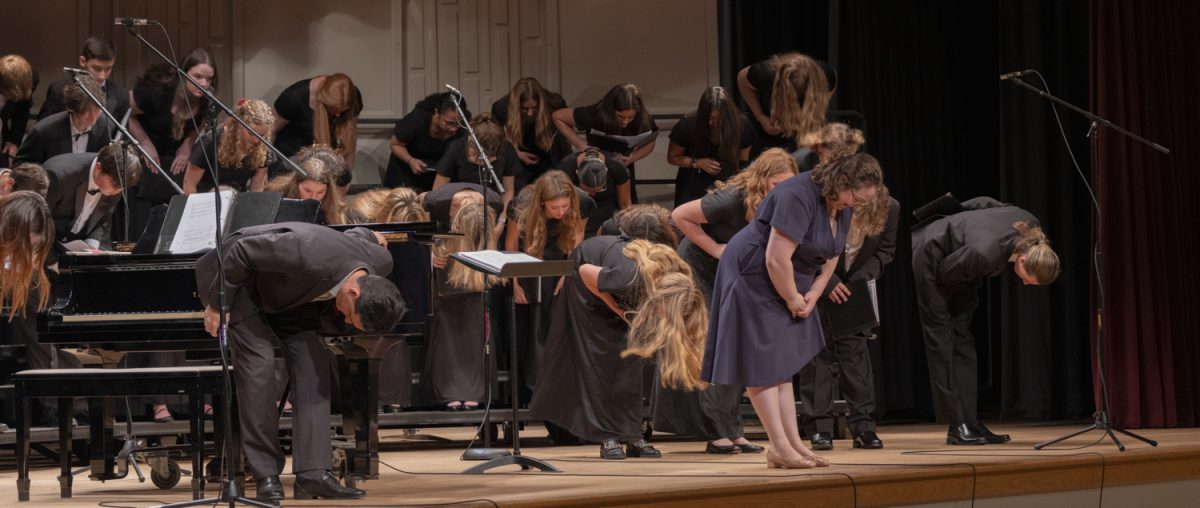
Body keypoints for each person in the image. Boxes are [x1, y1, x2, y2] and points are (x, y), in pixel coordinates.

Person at [196, 222, 403, 501]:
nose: (344, 319)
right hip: (236, 278)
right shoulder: (305, 252)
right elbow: (242, 251)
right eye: (349, 316)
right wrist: (217, 303)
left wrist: (371, 234)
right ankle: (265, 474)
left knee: (313, 360)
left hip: (289, 293)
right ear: (354, 292)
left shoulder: (381, 260)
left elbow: (355, 235)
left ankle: (313, 474)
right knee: (260, 362)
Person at [702, 152, 883, 469]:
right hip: (754, 275)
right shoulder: (796, 195)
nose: (856, 204)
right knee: (762, 363)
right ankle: (779, 446)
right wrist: (791, 298)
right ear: (841, 181)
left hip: (790, 278)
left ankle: (793, 444)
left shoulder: (839, 203)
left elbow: (830, 256)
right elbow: (775, 258)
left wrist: (813, 293)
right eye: (855, 196)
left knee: (782, 364)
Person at [654, 148, 798, 454]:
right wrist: (716, 248)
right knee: (711, 345)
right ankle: (716, 431)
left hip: (730, 274)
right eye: (776, 185)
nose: (781, 191)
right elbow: (679, 216)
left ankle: (734, 430)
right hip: (698, 270)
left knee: (735, 346)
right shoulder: (732, 198)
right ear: (761, 180)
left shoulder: (784, 204)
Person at [531, 210, 706, 460]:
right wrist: (618, 311)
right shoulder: (628, 277)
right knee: (604, 362)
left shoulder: (676, 274)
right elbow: (585, 272)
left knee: (631, 364)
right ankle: (608, 437)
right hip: (589, 290)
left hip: (624, 292)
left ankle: (633, 435)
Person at [912, 196, 1060, 445]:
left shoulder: (1032, 226)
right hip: (933, 258)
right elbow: (945, 274)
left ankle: (970, 420)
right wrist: (958, 224)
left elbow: (983, 202)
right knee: (943, 343)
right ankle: (957, 426)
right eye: (1027, 279)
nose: (1023, 282)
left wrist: (965, 220)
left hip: (964, 266)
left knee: (964, 344)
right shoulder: (985, 254)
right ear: (1023, 259)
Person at [798, 186, 900, 451]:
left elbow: (885, 251)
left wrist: (856, 282)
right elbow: (804, 246)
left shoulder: (891, 209)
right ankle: (819, 428)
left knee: (856, 358)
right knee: (817, 356)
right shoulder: (825, 206)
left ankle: (863, 426)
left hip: (854, 289)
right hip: (817, 284)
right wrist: (828, 281)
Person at [504, 171, 592, 393]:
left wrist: (566, 272)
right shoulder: (521, 204)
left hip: (561, 261)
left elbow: (578, 240)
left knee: (560, 323)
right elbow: (512, 245)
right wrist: (515, 283)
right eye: (555, 207)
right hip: (530, 260)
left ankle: (563, 388)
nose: (561, 211)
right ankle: (533, 388)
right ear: (542, 203)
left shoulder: (582, 202)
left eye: (565, 206)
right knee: (533, 325)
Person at [418, 200, 501, 410]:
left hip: (460, 304)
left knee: (455, 346)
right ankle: (471, 392)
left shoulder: (443, 245)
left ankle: (453, 392)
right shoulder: (442, 247)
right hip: (453, 304)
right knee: (466, 346)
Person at [127, 48, 217, 237]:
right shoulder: (158, 90)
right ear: (183, 72)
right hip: (145, 147)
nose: (203, 84)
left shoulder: (207, 99)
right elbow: (126, 111)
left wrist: (188, 144)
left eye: (209, 79)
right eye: (197, 76)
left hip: (173, 153)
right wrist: (144, 142)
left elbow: (200, 124)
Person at [553, 84, 658, 202]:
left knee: (624, 206)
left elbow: (650, 142)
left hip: (622, 169)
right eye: (620, 116)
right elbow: (558, 116)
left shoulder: (644, 120)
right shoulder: (594, 115)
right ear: (611, 109)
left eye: (630, 117)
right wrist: (579, 143)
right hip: (593, 168)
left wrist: (634, 157)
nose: (625, 122)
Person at [42, 142, 142, 250]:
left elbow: (103, 217)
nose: (118, 191)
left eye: (123, 188)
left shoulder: (117, 183)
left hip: (85, 241)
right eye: (115, 185)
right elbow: (37, 222)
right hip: (49, 241)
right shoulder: (59, 176)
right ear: (98, 168)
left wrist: (92, 245)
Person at [667, 86, 754, 206]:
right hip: (693, 181)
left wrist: (738, 184)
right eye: (710, 118)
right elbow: (672, 157)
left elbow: (743, 162)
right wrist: (697, 162)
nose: (714, 124)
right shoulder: (688, 125)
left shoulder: (743, 125)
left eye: (720, 119)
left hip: (729, 182)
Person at [737, 52, 834, 156]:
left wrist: (813, 115)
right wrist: (760, 116)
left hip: (803, 131)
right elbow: (741, 79)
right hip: (768, 129)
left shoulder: (824, 74)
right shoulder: (765, 72)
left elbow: (831, 87)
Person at [183, 98, 279, 193]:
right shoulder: (210, 142)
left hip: (237, 199)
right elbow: (189, 184)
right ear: (238, 125)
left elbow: (257, 187)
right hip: (206, 198)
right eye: (251, 133)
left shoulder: (263, 145)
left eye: (261, 135)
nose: (256, 140)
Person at [272, 73, 363, 171]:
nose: (338, 115)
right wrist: (262, 173)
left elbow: (350, 144)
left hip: (325, 164)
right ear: (325, 101)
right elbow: (271, 132)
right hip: (289, 162)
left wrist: (345, 181)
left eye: (343, 111)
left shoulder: (352, 98)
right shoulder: (294, 97)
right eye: (335, 110)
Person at [492, 77, 570, 192]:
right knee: (520, 187)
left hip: (547, 149)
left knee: (551, 186)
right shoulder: (502, 108)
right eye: (525, 109)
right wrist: (517, 153)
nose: (529, 113)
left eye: (534, 108)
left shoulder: (554, 103)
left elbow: (566, 126)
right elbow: (498, 139)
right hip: (519, 150)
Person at [18, 74, 113, 164]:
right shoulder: (43, 132)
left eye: (97, 110)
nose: (93, 117)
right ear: (71, 108)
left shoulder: (105, 126)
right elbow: (21, 165)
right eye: (87, 111)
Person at [431, 113, 519, 210]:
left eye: (491, 153)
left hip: (494, 209)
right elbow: (437, 192)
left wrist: (502, 221)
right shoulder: (456, 148)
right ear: (472, 142)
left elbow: (508, 191)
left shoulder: (506, 149)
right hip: (460, 207)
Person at [385, 92, 468, 191]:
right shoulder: (417, 119)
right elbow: (395, 144)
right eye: (448, 123)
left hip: (436, 174)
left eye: (457, 124)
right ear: (437, 113)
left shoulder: (463, 123)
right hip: (407, 170)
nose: (453, 129)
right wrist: (410, 160)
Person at [38, 35, 130, 122]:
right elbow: (42, 132)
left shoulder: (122, 96)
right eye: (97, 68)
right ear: (82, 61)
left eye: (108, 69)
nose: (102, 76)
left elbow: (121, 137)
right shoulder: (58, 91)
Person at [554, 147, 632, 235]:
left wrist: (627, 232)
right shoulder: (564, 168)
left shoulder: (616, 165)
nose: (593, 195)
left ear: (606, 171)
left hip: (607, 210)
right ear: (577, 173)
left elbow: (625, 204)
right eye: (586, 191)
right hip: (575, 210)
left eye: (599, 190)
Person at [265, 146, 345, 225]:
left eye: (320, 192)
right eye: (307, 191)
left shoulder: (331, 204)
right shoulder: (275, 195)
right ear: (296, 184)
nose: (314, 198)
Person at [0, 54, 38, 167]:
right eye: (13, 94)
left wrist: (13, 141)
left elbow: (22, 110)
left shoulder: (32, 78)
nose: (17, 98)